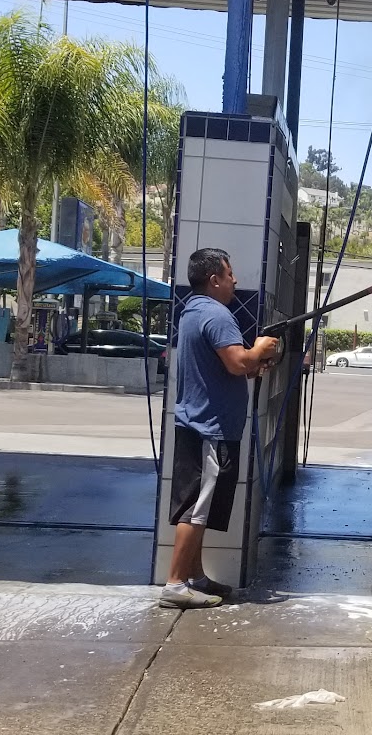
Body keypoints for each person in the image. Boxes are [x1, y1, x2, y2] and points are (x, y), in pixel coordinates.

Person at [160, 247, 280, 609]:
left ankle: (194, 576)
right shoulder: (217, 314)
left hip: (198, 425)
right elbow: (236, 361)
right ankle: (176, 584)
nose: (235, 281)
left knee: (202, 505)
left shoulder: (193, 311)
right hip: (210, 429)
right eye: (230, 275)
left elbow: (228, 367)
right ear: (214, 279)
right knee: (196, 507)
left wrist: (252, 363)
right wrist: (258, 349)